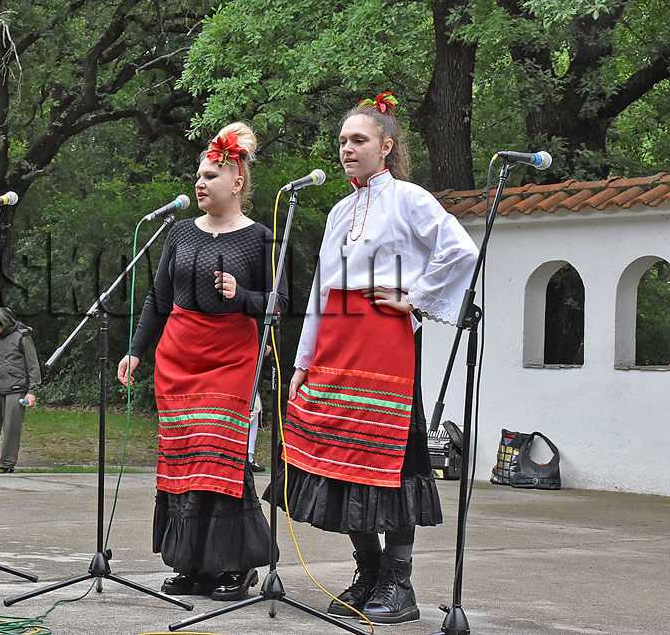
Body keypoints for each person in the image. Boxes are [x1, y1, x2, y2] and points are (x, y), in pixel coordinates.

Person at [264, 93, 478, 624]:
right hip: (335, 342)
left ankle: (399, 585)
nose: (347, 149)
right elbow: (321, 289)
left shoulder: (409, 198)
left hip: (383, 340)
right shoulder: (339, 211)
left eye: (358, 140)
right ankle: (369, 571)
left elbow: (460, 249)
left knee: (390, 457)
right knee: (336, 454)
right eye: (342, 141)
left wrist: (416, 298)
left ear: (386, 146)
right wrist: (302, 362)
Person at [117, 122, 286, 601]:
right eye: (198, 175)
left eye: (210, 175)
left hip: (231, 358)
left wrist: (242, 296)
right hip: (178, 357)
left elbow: (280, 303)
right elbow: (158, 297)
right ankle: (193, 565)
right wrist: (136, 349)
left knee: (219, 456)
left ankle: (235, 565)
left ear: (237, 181)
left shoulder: (259, 238)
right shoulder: (179, 232)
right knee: (185, 459)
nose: (200, 183)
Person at [0, 307, 40, 474]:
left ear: (4, 324)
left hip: (16, 389)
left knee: (12, 428)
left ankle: (7, 465)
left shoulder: (22, 337)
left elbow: (33, 366)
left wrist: (32, 391)